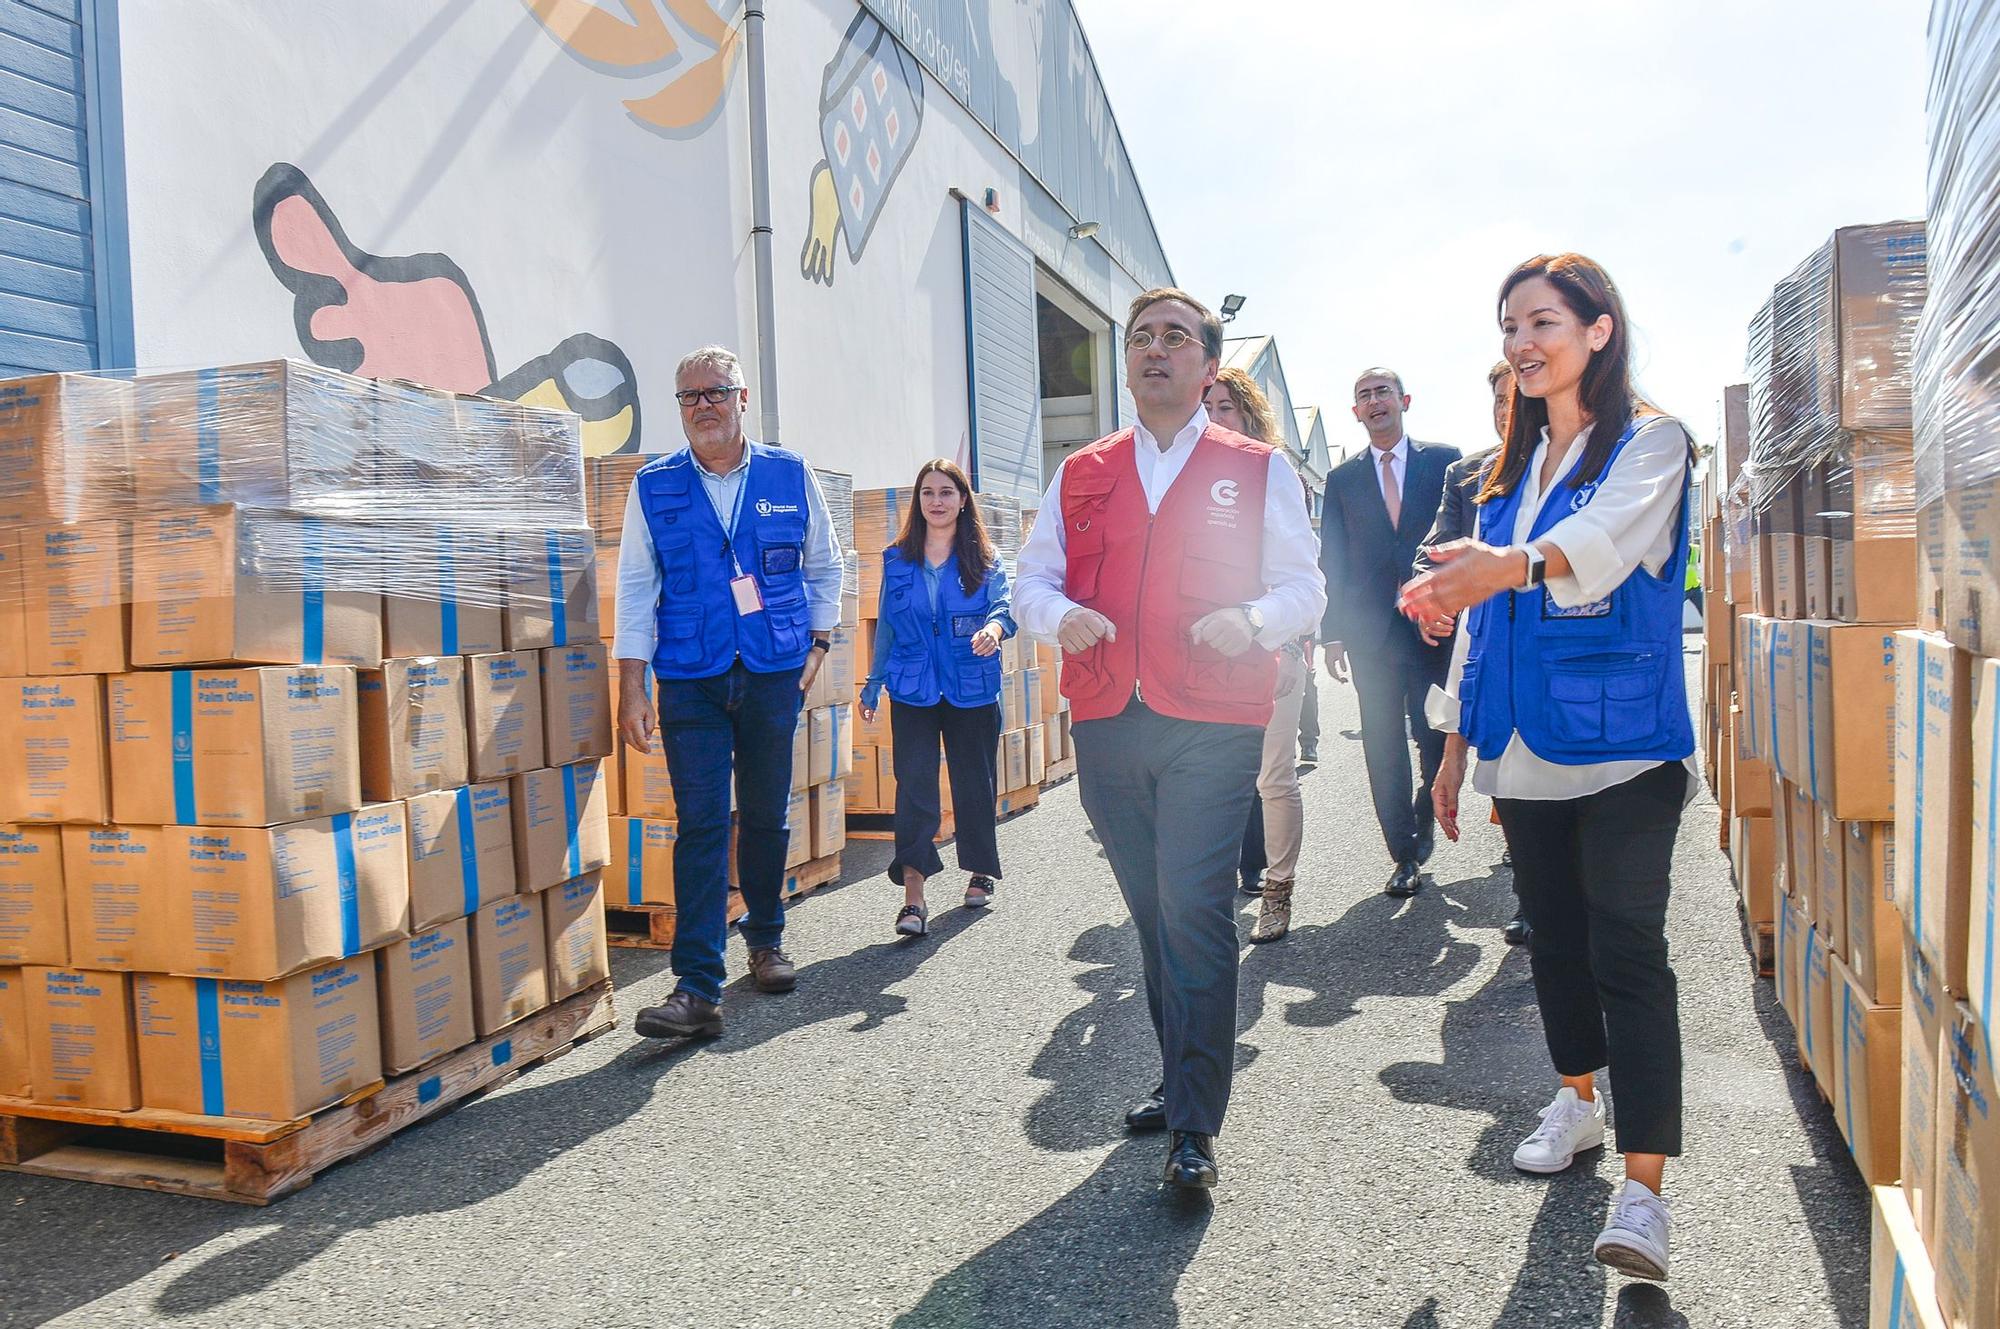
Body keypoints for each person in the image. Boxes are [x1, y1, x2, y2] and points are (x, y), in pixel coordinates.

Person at [1405, 253, 1696, 1283]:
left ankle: (1644, 1191)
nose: (1521, 345)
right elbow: (1477, 628)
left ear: (1596, 331)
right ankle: (1574, 1100)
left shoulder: (1649, 443)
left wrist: (1507, 566)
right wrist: (1451, 746)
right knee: (1555, 950)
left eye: (1540, 324)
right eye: (1508, 328)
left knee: (1629, 957)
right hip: (1518, 749)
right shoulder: (1503, 475)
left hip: (1621, 750)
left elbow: (1604, 540)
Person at [1014, 288, 1324, 1189]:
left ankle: (1195, 1123)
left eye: (1176, 337)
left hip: (1212, 720)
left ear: (1208, 364)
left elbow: (1305, 588)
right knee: (1153, 919)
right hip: (1111, 720)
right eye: (1142, 337)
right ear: (1127, 360)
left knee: (1193, 910)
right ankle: (1178, 1072)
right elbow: (1030, 579)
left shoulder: (1256, 468)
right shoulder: (1082, 472)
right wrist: (1061, 613)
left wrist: (1256, 618)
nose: (1156, 349)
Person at [615, 346, 844, 1040]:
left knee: (768, 816)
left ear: (743, 398)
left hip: (773, 670)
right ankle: (696, 987)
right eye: (690, 397)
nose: (704, 405)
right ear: (679, 408)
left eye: (717, 392)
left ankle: (767, 939)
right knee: (704, 825)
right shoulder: (653, 486)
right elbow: (634, 586)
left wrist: (821, 643)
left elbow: (826, 563)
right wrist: (632, 684)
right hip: (691, 677)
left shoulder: (788, 472)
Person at [1316, 368, 1461, 898]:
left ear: (1404, 400)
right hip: (1368, 631)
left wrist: (1452, 605)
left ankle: (1426, 811)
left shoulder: (1446, 462)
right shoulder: (1342, 479)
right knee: (1381, 742)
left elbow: (1462, 536)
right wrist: (1331, 632)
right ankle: (1402, 853)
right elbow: (1331, 555)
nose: (1374, 402)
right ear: (1355, 412)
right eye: (1363, 396)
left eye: (1382, 392)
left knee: (1431, 733)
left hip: (1431, 627)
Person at [859, 459, 1015, 937]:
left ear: (962, 499)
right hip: (913, 688)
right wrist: (873, 681)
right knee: (915, 788)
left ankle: (979, 869)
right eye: (928, 492)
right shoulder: (896, 559)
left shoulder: (985, 560)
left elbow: (1004, 609)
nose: (937, 501)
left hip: (970, 686)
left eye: (946, 492)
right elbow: (886, 624)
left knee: (974, 783)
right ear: (918, 501)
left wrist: (993, 628)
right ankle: (913, 898)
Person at [1417, 360, 1529, 945]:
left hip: (1552, 659)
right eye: (1498, 400)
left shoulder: (1581, 467)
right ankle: (1533, 898)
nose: (1508, 410)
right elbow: (1432, 553)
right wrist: (1434, 598)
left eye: (1518, 397)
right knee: (1507, 773)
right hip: (1485, 654)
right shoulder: (1468, 475)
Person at [1203, 367, 1308, 945]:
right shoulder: (1186, 475)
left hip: (1269, 645)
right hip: (1203, 656)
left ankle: (1278, 888)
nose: (1215, 418)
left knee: (1273, 776)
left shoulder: (1272, 472)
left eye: (1226, 407)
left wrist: (1286, 642)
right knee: (1214, 776)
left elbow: (1300, 576)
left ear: (1247, 414)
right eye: (1208, 407)